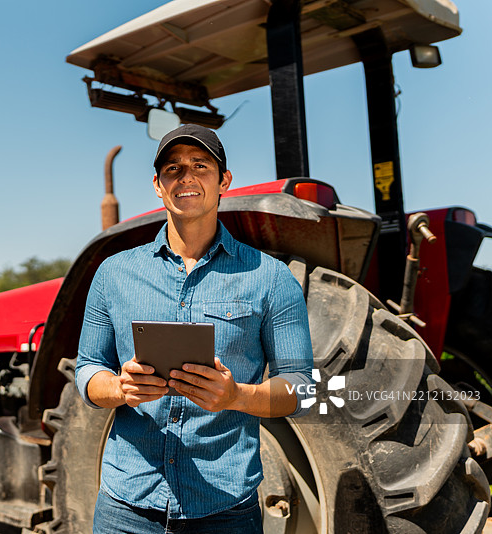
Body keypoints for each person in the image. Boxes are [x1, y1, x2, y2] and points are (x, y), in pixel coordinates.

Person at [75, 124, 315, 533]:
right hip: (126, 508)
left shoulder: (270, 278)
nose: (185, 177)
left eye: (200, 165)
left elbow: (303, 388)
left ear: (224, 181)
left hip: (224, 511)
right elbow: (87, 368)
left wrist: (237, 395)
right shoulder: (112, 273)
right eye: (173, 168)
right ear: (157, 185)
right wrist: (120, 388)